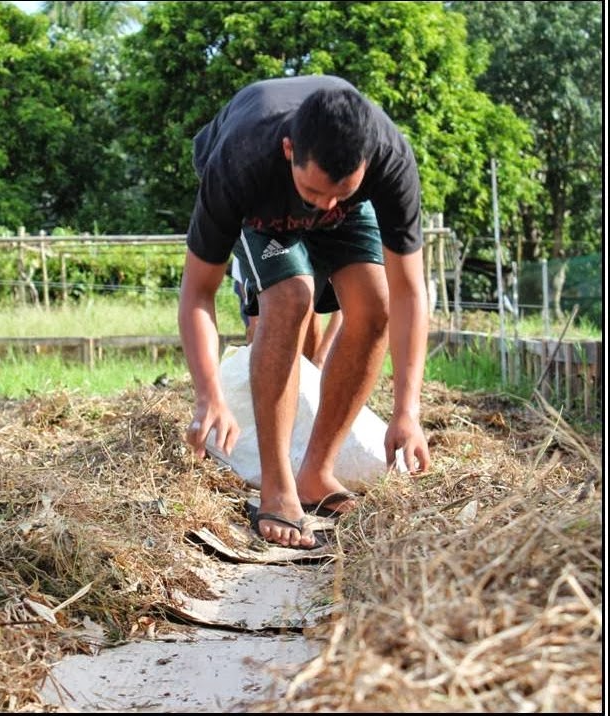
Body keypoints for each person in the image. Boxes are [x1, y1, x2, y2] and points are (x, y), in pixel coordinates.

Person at [179, 75, 431, 548]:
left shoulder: (390, 159)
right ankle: (278, 487)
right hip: (265, 203)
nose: (324, 208)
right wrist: (209, 394)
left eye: (340, 194)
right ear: (291, 148)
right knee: (294, 296)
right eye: (315, 195)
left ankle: (316, 473)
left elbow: (409, 292)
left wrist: (406, 410)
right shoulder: (242, 160)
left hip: (327, 186)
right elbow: (197, 291)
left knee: (373, 306)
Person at [232, 256, 342, 366]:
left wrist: (320, 359)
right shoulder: (250, 253)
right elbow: (256, 324)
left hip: (304, 275)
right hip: (260, 274)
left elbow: (343, 309)